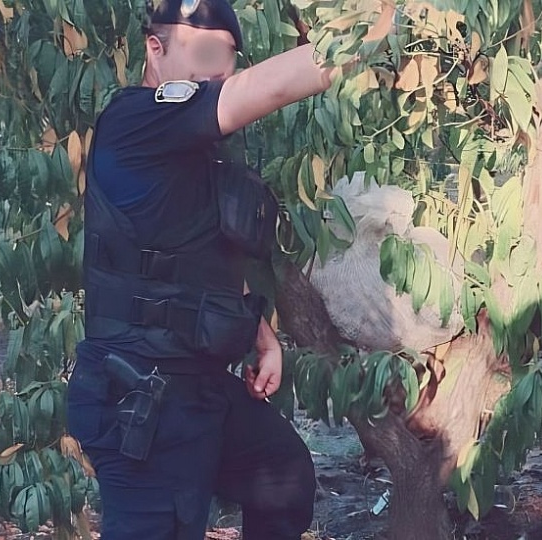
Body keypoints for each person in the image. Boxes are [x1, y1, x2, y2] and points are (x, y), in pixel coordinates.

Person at [65, 1, 340, 538]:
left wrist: (261, 335)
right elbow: (269, 89)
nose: (219, 68)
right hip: (138, 394)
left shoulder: (191, 153)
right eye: (205, 52)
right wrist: (362, 40)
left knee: (282, 473)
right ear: (155, 49)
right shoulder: (134, 120)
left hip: (195, 386)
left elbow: (192, 258)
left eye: (228, 55)